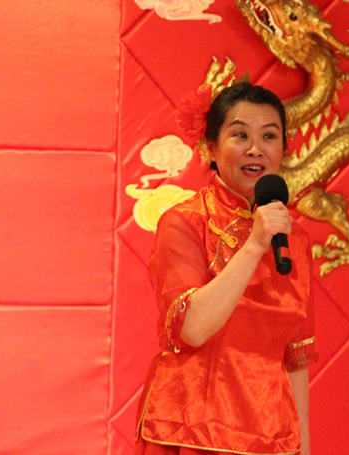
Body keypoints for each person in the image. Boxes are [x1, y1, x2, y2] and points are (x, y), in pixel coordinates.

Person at [135, 82, 318, 455]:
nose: (256, 148)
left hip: (271, 434)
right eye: (240, 135)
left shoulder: (294, 240)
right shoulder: (184, 222)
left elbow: (295, 357)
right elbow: (193, 329)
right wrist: (254, 245)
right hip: (190, 430)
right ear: (211, 148)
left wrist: (303, 449)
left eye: (269, 136)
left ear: (283, 149)